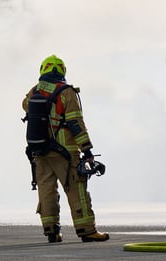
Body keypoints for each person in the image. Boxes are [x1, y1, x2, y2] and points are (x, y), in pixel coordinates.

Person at [22, 55, 109, 243]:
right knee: (77, 189)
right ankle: (87, 230)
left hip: (40, 152)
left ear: (43, 70)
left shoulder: (34, 91)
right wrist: (87, 150)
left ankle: (51, 231)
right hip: (65, 153)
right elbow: (76, 123)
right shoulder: (66, 92)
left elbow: (25, 106)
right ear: (62, 71)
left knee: (47, 191)